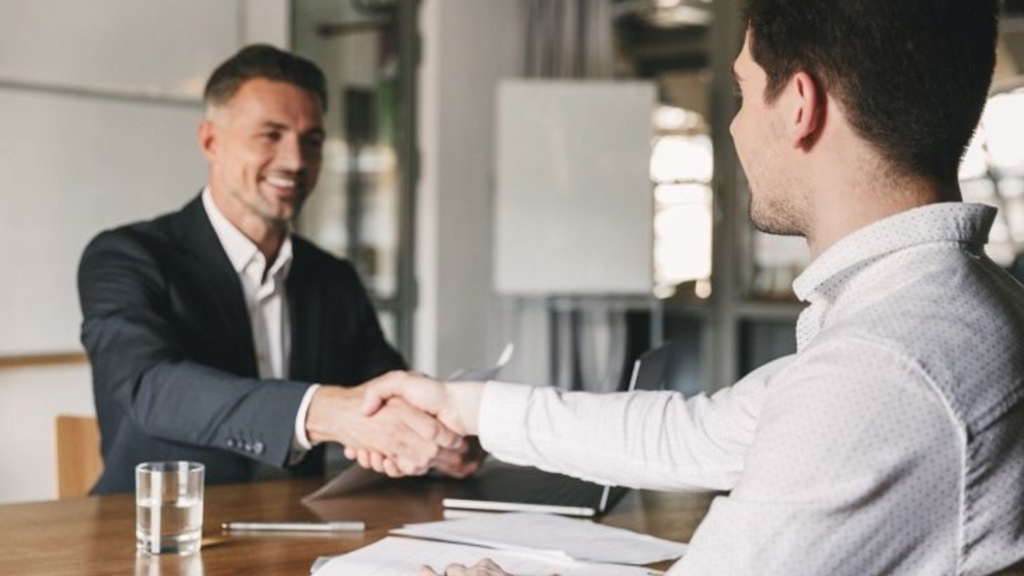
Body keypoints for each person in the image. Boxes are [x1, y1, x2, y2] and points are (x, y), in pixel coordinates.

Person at [350, 0, 1024, 574]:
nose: (733, 125)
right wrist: (460, 405)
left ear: (799, 105)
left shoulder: (884, 367)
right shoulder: (943, 304)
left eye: (739, 92)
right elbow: (695, 435)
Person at [78, 45, 481, 494]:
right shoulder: (126, 256)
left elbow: (382, 389)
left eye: (311, 141)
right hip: (155, 531)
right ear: (211, 140)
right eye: (271, 135)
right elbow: (148, 386)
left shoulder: (333, 277)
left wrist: (434, 437)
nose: (295, 160)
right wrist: (324, 411)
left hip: (303, 524)